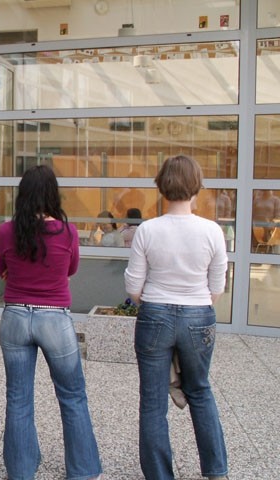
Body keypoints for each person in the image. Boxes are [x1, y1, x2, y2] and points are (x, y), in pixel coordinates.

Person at [124, 155, 229, 480]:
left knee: (153, 401)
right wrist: (193, 304)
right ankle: (216, 471)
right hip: (199, 315)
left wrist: (158, 304)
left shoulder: (148, 230)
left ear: (162, 186)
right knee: (200, 391)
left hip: (154, 313)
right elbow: (217, 287)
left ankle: (159, 475)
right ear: (196, 187)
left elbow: (133, 287)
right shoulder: (212, 231)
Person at [0, 165, 102, 480]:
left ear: (23, 195)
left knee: (18, 396)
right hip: (54, 318)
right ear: (52, 194)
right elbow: (70, 269)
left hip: (14, 316)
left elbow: (3, 268)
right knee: (72, 396)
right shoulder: (67, 231)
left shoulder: (6, 230)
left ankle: (21, 471)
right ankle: (82, 471)